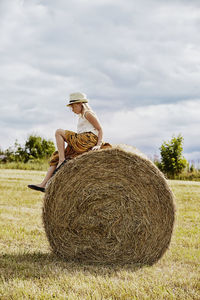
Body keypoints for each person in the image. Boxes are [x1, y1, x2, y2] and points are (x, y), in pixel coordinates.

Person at [28, 92, 111, 193]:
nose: (72, 110)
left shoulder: (88, 113)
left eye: (72, 107)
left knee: (59, 132)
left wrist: (98, 145)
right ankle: (44, 184)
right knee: (56, 156)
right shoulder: (81, 116)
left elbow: (100, 129)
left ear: (79, 104)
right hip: (81, 141)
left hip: (87, 139)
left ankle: (62, 161)